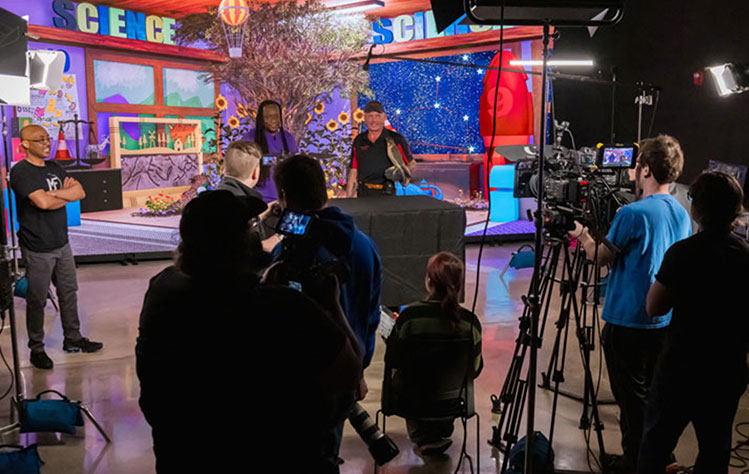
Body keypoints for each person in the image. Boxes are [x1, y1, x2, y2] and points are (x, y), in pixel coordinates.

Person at [136, 190, 362, 473]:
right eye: (248, 227)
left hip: (183, 456)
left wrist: (261, 288)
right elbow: (350, 374)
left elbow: (221, 306)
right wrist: (332, 306)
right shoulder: (285, 309)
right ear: (237, 243)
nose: (254, 232)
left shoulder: (162, 290)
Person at [569, 135, 692, 472]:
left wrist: (582, 236)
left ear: (646, 169)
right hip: (663, 322)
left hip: (627, 322)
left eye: (637, 165)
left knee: (631, 402)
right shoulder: (681, 213)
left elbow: (599, 256)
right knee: (654, 397)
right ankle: (656, 458)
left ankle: (634, 462)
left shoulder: (632, 214)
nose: (633, 171)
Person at [272, 154, 382, 470]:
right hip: (346, 375)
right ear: (324, 190)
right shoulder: (364, 244)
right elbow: (371, 314)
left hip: (304, 385)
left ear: (284, 196)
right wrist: (357, 368)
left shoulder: (289, 255)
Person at [637, 172, 749, 474]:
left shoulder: (684, 253)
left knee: (655, 445)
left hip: (682, 368)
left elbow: (653, 306)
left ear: (698, 208)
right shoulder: (744, 254)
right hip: (727, 369)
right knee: (715, 449)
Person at [10, 124, 103, 370]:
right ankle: (36, 349)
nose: (46, 142)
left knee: (69, 293)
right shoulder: (20, 172)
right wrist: (65, 193)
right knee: (37, 299)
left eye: (47, 138)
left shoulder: (55, 168)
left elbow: (80, 192)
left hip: (62, 243)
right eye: (40, 139)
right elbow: (41, 203)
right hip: (37, 246)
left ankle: (73, 339)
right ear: (25, 144)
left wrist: (60, 195)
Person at [386, 252, 482, 455]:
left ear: (429, 281)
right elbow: (475, 368)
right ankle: (437, 432)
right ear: (458, 284)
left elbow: (393, 362)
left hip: (410, 402)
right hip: (452, 402)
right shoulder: (470, 323)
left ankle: (424, 437)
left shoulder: (409, 318)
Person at [345, 101, 414, 197]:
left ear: (384, 118)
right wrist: (349, 198)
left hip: (387, 195)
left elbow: (411, 164)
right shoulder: (359, 140)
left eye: (377, 116)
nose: (374, 121)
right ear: (364, 118)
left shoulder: (395, 139)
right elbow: (353, 171)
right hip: (363, 194)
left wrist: (401, 174)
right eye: (370, 116)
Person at [242, 100, 298, 202]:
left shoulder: (288, 138)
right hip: (259, 198)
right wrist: (276, 159)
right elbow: (247, 164)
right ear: (261, 119)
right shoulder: (250, 138)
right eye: (268, 116)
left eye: (276, 115)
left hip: (285, 198)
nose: (273, 120)